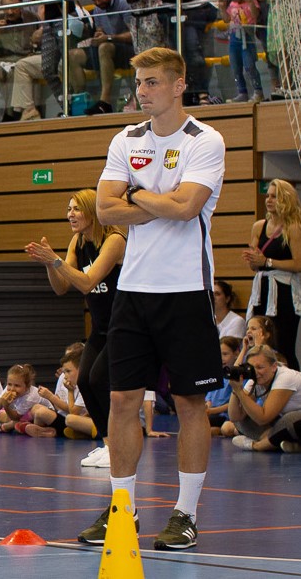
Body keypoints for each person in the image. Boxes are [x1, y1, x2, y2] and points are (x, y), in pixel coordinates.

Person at [80, 46, 226, 551]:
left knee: (189, 402)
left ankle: (185, 514)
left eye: (152, 82)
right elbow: (105, 209)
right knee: (121, 399)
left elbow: (187, 208)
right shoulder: (126, 139)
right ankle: (122, 510)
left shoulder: (205, 140)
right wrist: (158, 200)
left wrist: (136, 195)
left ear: (179, 85)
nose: (141, 91)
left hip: (185, 291)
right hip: (133, 293)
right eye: (138, 82)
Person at [26, 187, 125, 464]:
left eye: (76, 209)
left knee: (99, 379)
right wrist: (50, 264)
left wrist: (56, 261)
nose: (70, 214)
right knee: (83, 381)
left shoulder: (114, 239)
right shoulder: (77, 241)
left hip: (123, 325)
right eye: (68, 209)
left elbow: (87, 282)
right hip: (100, 328)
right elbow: (62, 287)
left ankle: (119, 447)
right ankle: (108, 445)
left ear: (92, 211)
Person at [12, 0, 86, 121]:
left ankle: (77, 105)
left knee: (66, 64)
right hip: (50, 21)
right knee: (47, 68)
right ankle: (66, 105)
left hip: (64, 17)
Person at [244, 179, 301, 365]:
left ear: (285, 199)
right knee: (259, 344)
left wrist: (267, 261)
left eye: (274, 196)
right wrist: (253, 260)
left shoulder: (293, 227)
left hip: (284, 291)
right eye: (268, 195)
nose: (268, 200)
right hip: (261, 289)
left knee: (283, 344)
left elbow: (298, 264)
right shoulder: (258, 226)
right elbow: (255, 265)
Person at [225, 345, 301, 453]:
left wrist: (240, 392)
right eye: (251, 368)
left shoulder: (285, 377)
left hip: (296, 421)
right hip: (286, 430)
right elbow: (235, 416)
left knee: (290, 419)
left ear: (274, 366)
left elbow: (263, 418)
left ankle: (257, 445)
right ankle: (280, 442)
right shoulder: (256, 379)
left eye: (260, 367)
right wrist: (235, 390)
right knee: (241, 420)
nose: (255, 372)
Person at [27, 344, 96, 438]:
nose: (65, 375)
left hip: (73, 419)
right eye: (64, 371)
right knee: (36, 407)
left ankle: (47, 431)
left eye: (68, 371)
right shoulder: (64, 377)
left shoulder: (84, 384)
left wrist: (52, 396)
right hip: (64, 415)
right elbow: (57, 406)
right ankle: (43, 430)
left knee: (67, 418)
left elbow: (73, 412)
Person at [222, 0, 264, 103]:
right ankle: (242, 91)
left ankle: (258, 91)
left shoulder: (251, 1)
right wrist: (222, 7)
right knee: (235, 66)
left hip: (247, 37)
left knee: (249, 65)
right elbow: (226, 19)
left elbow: (255, 15)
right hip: (234, 38)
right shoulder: (232, 4)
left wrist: (250, 2)